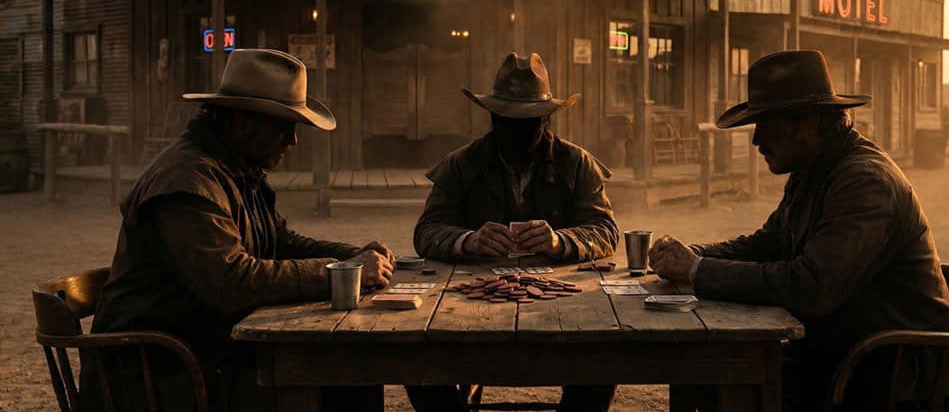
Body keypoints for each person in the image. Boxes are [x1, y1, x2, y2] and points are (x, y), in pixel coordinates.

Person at [84, 48, 395, 412]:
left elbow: (278, 240)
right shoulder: (187, 181)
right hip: (159, 373)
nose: (293, 141)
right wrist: (344, 273)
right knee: (342, 373)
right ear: (242, 120)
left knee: (350, 366)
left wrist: (353, 255)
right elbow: (232, 283)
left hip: (205, 350)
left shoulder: (235, 168)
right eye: (284, 125)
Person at [649, 50, 949, 412]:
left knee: (720, 379)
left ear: (809, 122)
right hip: (842, 359)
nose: (756, 141)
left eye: (765, 124)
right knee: (700, 374)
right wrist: (694, 254)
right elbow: (769, 243)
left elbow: (811, 287)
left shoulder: (865, 182)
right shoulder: (815, 167)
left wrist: (696, 270)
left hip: (893, 381)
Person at [409, 52, 619, 412]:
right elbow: (428, 230)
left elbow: (605, 229)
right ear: (493, 117)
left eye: (531, 123)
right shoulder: (462, 164)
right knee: (417, 362)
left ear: (547, 119)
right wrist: (467, 240)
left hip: (565, 303)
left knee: (603, 359)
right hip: (469, 303)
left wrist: (561, 241)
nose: (521, 132)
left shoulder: (577, 163)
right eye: (511, 122)